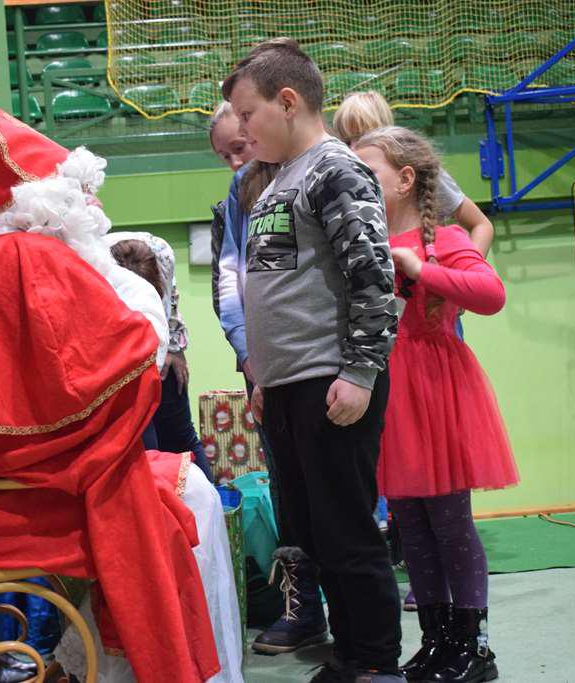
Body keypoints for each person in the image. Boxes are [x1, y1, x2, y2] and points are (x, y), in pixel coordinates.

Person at [0, 91, 238, 683]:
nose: (96, 208)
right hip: (17, 497)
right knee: (195, 500)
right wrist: (148, 324)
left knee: (187, 493)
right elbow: (113, 368)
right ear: (53, 203)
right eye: (85, 195)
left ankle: (98, 664)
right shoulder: (40, 261)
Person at [223, 38, 402, 683]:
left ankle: (375, 662)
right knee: (313, 534)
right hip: (288, 386)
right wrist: (265, 378)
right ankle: (348, 655)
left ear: (288, 101)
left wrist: (360, 372)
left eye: (248, 115)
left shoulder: (335, 170)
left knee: (347, 532)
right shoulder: (278, 179)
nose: (242, 131)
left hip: (331, 381)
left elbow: (373, 278)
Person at [353, 126, 518, 683]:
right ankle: (436, 640)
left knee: (450, 522)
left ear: (405, 179)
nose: (358, 180)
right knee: (411, 526)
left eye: (368, 171)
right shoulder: (362, 241)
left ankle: (474, 648)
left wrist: (422, 270)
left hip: (435, 391)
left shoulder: (442, 238)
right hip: (388, 394)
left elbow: (491, 294)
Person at [209, 102, 329, 655]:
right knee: (287, 488)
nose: (237, 161)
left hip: (320, 363)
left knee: (337, 492)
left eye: (242, 146)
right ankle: (303, 608)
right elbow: (230, 280)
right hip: (265, 369)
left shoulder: (317, 174)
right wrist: (249, 358)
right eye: (225, 155)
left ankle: (355, 617)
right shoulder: (237, 197)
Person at [332, 91, 494, 258]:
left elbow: (481, 225)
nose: (353, 148)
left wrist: (466, 269)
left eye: (361, 137)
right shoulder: (347, 179)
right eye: (346, 141)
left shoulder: (420, 169)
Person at [106, 232, 212, 481]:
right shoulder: (93, 267)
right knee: (145, 448)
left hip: (160, 346)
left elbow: (169, 301)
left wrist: (173, 347)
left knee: (180, 436)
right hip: (115, 360)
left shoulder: (162, 254)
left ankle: (211, 500)